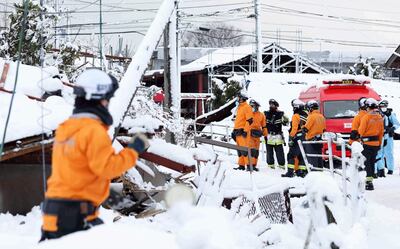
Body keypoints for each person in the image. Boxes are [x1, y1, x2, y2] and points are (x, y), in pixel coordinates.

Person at [40, 69, 150, 241]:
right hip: (75, 216)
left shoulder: (66, 128)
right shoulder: (93, 131)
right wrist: (134, 151)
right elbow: (107, 168)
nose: (107, 103)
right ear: (98, 99)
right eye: (107, 99)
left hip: (57, 211)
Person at [358, 98, 384, 191]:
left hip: (367, 143)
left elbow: (361, 131)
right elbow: (381, 132)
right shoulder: (379, 117)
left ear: (368, 107)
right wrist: (379, 143)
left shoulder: (366, 117)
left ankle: (369, 182)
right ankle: (371, 179)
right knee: (372, 162)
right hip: (376, 143)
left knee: (367, 162)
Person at [282, 99, 308, 177]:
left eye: (293, 107)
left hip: (297, 137)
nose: (293, 109)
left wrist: (291, 137)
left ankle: (290, 172)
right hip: (305, 137)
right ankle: (301, 172)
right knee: (301, 155)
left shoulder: (296, 116)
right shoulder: (306, 115)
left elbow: (294, 129)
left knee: (291, 155)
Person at [375, 100, 400, 177]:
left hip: (388, 136)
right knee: (380, 153)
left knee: (389, 153)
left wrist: (392, 128)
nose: (384, 108)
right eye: (382, 106)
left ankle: (390, 169)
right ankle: (381, 169)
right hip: (379, 135)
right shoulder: (377, 114)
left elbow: (397, 124)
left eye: (385, 106)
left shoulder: (390, 114)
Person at [264, 99, 289, 169]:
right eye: (270, 104)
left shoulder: (280, 114)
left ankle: (281, 166)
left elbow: (286, 123)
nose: (271, 106)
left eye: (273, 104)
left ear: (276, 106)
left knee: (279, 152)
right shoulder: (265, 113)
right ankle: (270, 166)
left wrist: (284, 116)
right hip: (269, 135)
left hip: (278, 136)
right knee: (269, 152)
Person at [231, 91, 254, 170]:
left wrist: (245, 131)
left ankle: (249, 166)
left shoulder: (247, 107)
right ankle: (241, 165)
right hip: (237, 131)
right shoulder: (240, 107)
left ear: (242, 98)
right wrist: (234, 131)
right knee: (240, 150)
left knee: (245, 150)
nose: (237, 98)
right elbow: (238, 120)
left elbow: (249, 120)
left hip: (243, 132)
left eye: (239, 97)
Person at [302, 100, 326, 168]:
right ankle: (320, 172)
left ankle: (314, 174)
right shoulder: (322, 117)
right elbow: (324, 129)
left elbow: (305, 129)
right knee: (319, 157)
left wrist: (302, 126)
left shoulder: (311, 117)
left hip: (311, 141)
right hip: (319, 140)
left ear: (310, 108)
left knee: (312, 159)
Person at [246, 99, 268, 171]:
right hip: (249, 134)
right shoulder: (247, 114)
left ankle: (254, 165)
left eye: (253, 106)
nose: (251, 107)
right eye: (250, 106)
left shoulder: (261, 115)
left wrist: (265, 135)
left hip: (257, 135)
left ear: (257, 106)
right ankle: (249, 166)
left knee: (256, 151)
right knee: (251, 150)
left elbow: (264, 126)